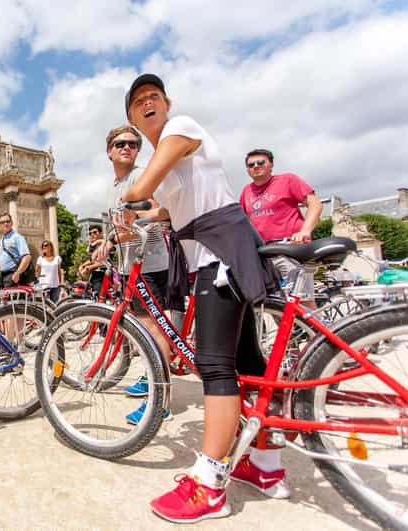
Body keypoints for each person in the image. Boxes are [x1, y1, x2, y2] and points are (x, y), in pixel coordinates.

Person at [121, 74, 284, 523]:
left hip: (220, 252)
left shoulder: (180, 130)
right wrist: (146, 220)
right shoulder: (170, 154)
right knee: (247, 361)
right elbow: (170, 208)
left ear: (166, 104)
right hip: (214, 250)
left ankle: (209, 483)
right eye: (139, 101)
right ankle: (266, 466)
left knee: (215, 365)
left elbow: (141, 189)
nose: (148, 102)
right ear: (132, 116)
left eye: (154, 96)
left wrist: (128, 199)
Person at [95, 124, 180, 424]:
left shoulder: (142, 176)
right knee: (143, 328)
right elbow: (118, 223)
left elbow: (161, 211)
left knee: (154, 329)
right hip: (130, 265)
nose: (127, 148)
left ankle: (162, 401)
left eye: (133, 143)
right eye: (120, 143)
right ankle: (150, 375)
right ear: (109, 151)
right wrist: (107, 241)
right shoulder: (115, 185)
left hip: (151, 262)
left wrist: (135, 219)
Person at [239, 148, 323, 283]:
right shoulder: (246, 191)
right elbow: (241, 222)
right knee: (266, 301)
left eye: (260, 162)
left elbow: (315, 204)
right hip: (263, 252)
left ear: (271, 165)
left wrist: (305, 231)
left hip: (289, 247)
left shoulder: (287, 180)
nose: (256, 166)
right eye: (251, 164)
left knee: (299, 297)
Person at [0, 213, 33, 288]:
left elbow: (27, 257)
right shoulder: (1, 241)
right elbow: (1, 262)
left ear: (12, 223)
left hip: (12, 276)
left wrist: (17, 273)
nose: (6, 224)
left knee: (12, 299)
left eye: (8, 221)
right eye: (2, 222)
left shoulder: (18, 237)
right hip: (1, 277)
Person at [78, 225, 108, 297]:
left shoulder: (107, 244)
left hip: (104, 276)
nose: (92, 235)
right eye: (90, 233)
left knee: (97, 300)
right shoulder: (95, 246)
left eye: (95, 232)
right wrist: (83, 265)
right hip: (94, 276)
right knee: (86, 297)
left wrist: (89, 267)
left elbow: (106, 262)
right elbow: (92, 259)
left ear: (100, 233)